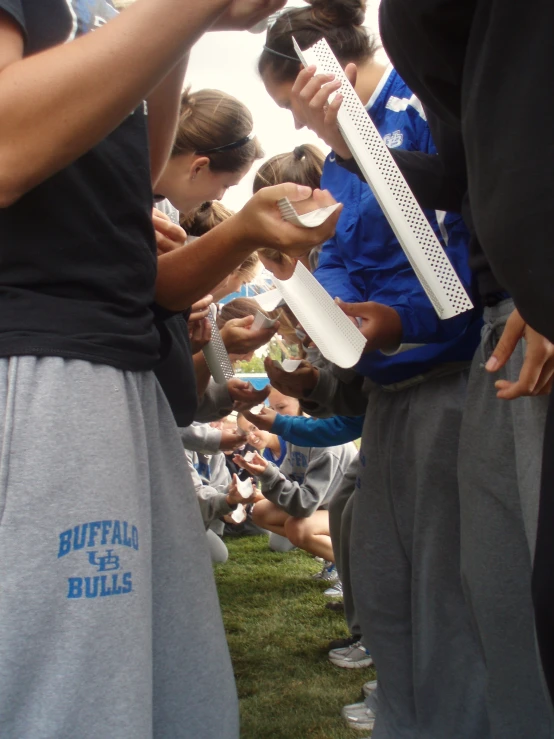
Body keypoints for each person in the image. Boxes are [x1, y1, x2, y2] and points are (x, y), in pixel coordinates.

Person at [0, 1, 344, 736]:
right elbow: (7, 147)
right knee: (74, 703)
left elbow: (139, 176)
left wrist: (188, 25)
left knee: (174, 699)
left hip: (118, 377)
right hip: (46, 368)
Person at [258, 2, 492, 736]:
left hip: (452, 390)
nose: (299, 126)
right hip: (390, 403)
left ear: (334, 73)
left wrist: (400, 323)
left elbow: (463, 275)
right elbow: (358, 275)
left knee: (448, 600)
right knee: (388, 592)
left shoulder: (421, 113)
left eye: (295, 104)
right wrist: (317, 344)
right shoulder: (338, 160)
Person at [235, 387, 357, 562]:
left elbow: (305, 505)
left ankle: (348, 563)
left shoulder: (326, 443)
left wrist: (269, 475)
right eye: (272, 408)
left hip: (350, 513)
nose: (274, 415)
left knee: (298, 528)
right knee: (261, 512)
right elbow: (288, 482)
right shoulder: (295, 436)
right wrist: (264, 472)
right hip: (322, 507)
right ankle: (329, 547)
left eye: (282, 408)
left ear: (305, 405)